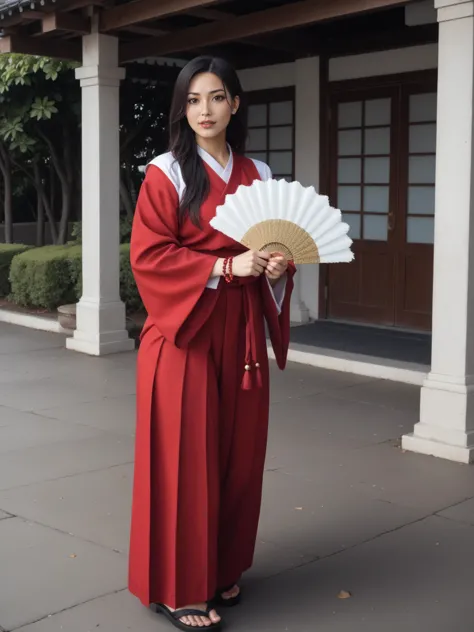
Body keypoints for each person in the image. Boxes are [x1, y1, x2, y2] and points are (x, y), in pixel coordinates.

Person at [128, 55, 295, 631]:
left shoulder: (261, 174)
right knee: (185, 460)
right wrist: (226, 267)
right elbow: (149, 257)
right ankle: (178, 587)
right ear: (182, 108)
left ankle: (225, 565)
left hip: (243, 329)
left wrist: (275, 267)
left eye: (217, 97)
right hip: (186, 334)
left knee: (239, 457)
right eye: (194, 99)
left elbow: (273, 253)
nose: (205, 110)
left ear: (235, 104)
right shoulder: (166, 174)